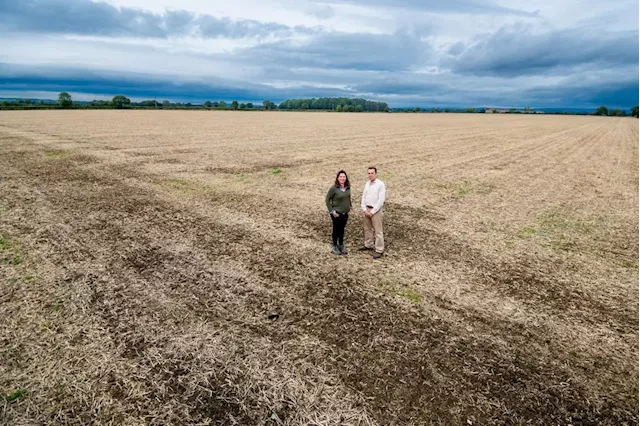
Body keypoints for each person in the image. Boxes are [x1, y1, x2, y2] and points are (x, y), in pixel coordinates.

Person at [360, 167, 386, 259]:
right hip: (367, 209)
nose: (370, 175)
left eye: (372, 173)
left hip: (375, 210)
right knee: (367, 229)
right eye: (369, 173)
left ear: (376, 174)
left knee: (378, 231)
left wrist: (373, 211)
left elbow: (381, 200)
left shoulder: (380, 184)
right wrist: (364, 208)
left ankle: (379, 250)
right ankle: (368, 244)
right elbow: (364, 196)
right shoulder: (367, 183)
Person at [325, 170, 352, 255]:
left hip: (345, 213)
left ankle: (341, 245)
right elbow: (327, 199)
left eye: (344, 177)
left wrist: (350, 206)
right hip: (336, 213)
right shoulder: (334, 188)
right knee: (336, 229)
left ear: (346, 178)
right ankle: (334, 246)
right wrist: (331, 211)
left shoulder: (348, 187)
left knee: (342, 229)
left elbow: (348, 198)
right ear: (337, 178)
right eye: (340, 177)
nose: (342, 178)